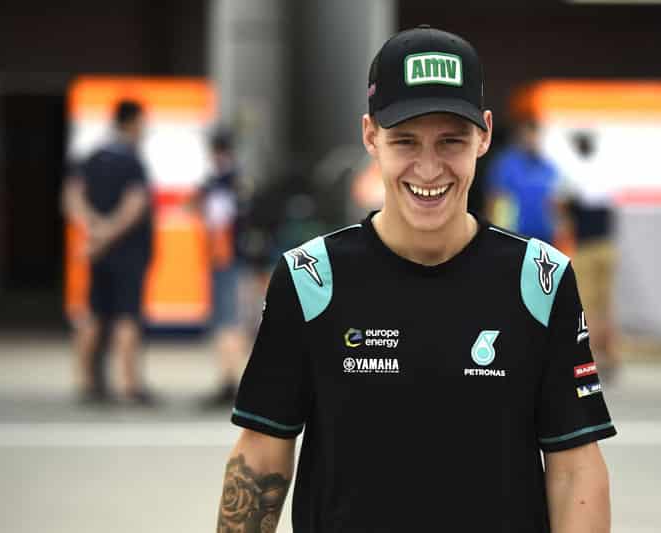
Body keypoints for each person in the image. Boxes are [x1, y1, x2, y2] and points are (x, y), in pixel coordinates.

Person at [215, 26, 616, 532]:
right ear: (370, 136)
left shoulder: (540, 282)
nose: (428, 169)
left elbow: (575, 468)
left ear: (485, 135)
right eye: (405, 140)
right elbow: (261, 453)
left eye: (451, 141)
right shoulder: (310, 279)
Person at [64, 99, 157, 406]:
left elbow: (72, 197)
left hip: (97, 252)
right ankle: (129, 385)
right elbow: (135, 205)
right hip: (128, 251)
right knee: (127, 316)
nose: (145, 127)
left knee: (93, 313)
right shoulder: (131, 161)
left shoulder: (92, 157)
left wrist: (92, 229)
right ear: (131, 122)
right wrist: (107, 232)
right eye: (142, 121)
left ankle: (87, 382)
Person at [189, 127, 249, 409]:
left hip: (225, 258)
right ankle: (230, 380)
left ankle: (229, 382)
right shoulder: (235, 180)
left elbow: (217, 217)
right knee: (230, 319)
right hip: (232, 257)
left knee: (227, 320)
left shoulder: (222, 182)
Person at [559, 131, 621, 382]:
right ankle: (611, 356)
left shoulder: (576, 171)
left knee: (587, 305)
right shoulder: (604, 171)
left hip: (586, 246)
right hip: (607, 245)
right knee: (606, 306)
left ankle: (591, 359)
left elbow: (563, 204)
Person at [486, 118, 560, 244]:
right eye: (528, 135)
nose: (532, 140)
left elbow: (554, 201)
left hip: (544, 234)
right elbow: (494, 198)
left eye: (535, 135)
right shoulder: (506, 164)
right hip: (514, 233)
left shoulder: (548, 166)